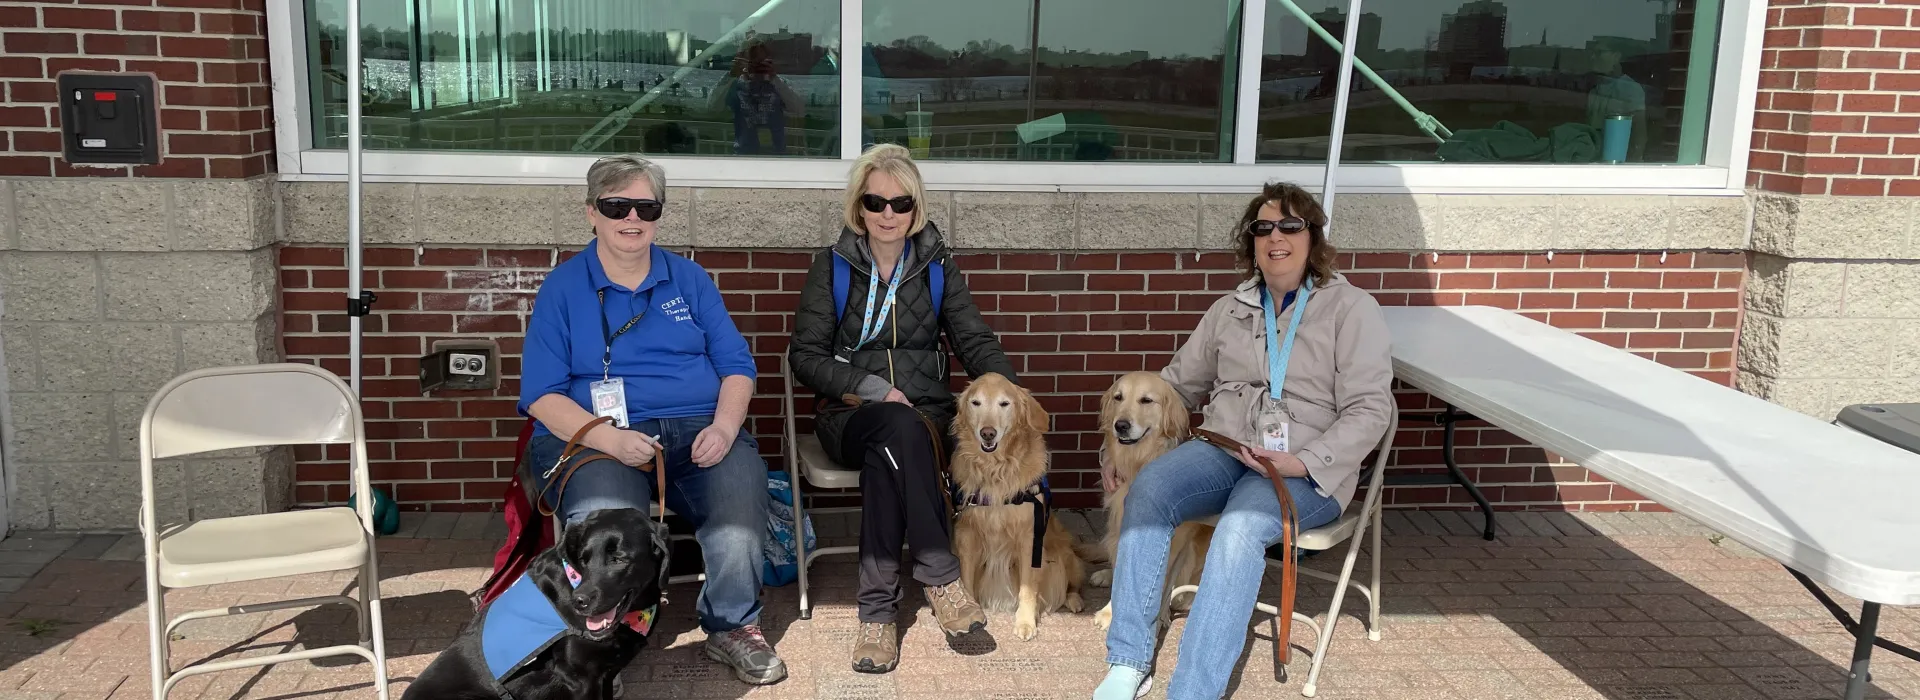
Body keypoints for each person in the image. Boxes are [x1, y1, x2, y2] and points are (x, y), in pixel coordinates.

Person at [1093, 181, 1395, 700]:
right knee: (1149, 491)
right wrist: (1116, 449)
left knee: (1238, 528)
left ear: (1312, 235)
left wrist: (1306, 461)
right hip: (1225, 447)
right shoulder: (1228, 310)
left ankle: (1193, 690)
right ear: (1251, 242)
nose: (1275, 236)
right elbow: (1174, 386)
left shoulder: (1351, 308)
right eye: (1263, 228)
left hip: (1300, 467)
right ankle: (1129, 660)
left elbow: (1372, 409)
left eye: (1290, 225)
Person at [516, 155, 786, 686]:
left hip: (698, 430)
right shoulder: (563, 288)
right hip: (595, 438)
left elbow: (737, 366)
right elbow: (541, 396)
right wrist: (609, 441)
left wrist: (726, 428)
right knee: (602, 522)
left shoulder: (689, 278)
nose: (632, 218)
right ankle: (600, 641)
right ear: (592, 212)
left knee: (738, 502)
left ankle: (732, 626)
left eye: (646, 206)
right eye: (617, 206)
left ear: (660, 214)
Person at [789, 143, 1011, 673]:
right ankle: (941, 577)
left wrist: (1007, 392)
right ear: (858, 208)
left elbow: (974, 340)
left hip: (924, 420)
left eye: (901, 202)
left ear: (917, 208)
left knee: (895, 450)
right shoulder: (833, 267)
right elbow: (806, 357)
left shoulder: (937, 269)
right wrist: (869, 387)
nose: (888, 213)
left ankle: (877, 617)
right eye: (875, 201)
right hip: (849, 417)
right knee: (894, 426)